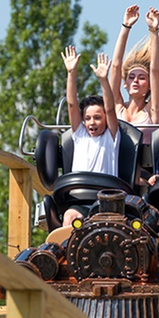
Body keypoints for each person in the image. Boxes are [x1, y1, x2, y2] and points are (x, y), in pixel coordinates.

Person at [61, 46, 121, 227]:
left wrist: (104, 80)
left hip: (106, 203)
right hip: (81, 200)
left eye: (97, 118)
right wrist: (71, 72)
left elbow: (110, 108)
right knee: (70, 217)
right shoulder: (80, 135)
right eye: (87, 118)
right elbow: (71, 105)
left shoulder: (111, 137)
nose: (92, 123)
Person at [109, 5, 159, 126]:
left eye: (142, 78)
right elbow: (116, 66)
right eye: (131, 77)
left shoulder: (152, 110)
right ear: (125, 83)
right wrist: (126, 26)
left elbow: (155, 70)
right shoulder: (117, 107)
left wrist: (153, 30)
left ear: (149, 85)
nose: (136, 80)